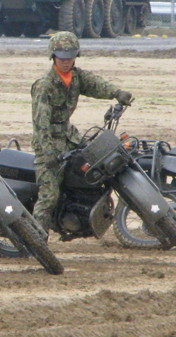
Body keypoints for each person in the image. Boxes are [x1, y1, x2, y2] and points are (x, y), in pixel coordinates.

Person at [30, 31, 132, 237]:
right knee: (49, 195)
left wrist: (116, 93)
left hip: (70, 137)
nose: (67, 61)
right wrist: (48, 153)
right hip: (48, 143)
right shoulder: (44, 85)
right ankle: (36, 239)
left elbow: (95, 83)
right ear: (53, 56)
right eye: (62, 57)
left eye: (71, 56)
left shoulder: (76, 77)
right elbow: (40, 125)